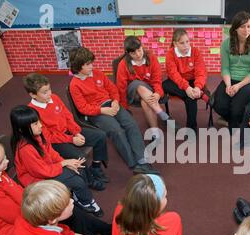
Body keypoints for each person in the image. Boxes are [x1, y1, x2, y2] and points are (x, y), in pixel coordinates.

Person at [0, 137, 111, 235]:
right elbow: (19, 217)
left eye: (4, 157)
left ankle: (100, 230)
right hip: (13, 229)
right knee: (63, 212)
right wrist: (48, 208)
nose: (7, 162)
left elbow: (17, 193)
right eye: (0, 162)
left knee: (66, 206)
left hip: (25, 208)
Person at [69, 46, 160, 175]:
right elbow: (83, 108)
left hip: (111, 104)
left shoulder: (97, 73)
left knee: (131, 124)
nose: (91, 67)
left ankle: (142, 160)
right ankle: (134, 163)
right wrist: (103, 110)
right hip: (96, 112)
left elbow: (112, 89)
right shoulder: (75, 85)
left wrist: (116, 101)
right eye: (88, 65)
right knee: (117, 131)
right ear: (78, 66)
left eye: (91, 63)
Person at [10, 105, 105, 217]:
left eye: (39, 121)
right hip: (38, 179)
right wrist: (64, 163)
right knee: (77, 181)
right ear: (22, 129)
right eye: (35, 124)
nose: (40, 125)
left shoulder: (36, 135)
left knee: (78, 167)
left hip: (48, 168)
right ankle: (87, 202)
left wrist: (67, 162)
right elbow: (41, 172)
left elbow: (51, 153)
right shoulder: (25, 149)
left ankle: (78, 196)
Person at [24, 72, 110, 184]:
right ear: (33, 95)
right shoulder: (32, 112)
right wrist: (71, 139)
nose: (49, 94)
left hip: (70, 133)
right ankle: (90, 181)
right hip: (55, 142)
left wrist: (76, 132)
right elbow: (48, 137)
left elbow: (68, 116)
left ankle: (96, 167)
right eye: (44, 92)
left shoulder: (54, 97)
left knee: (100, 136)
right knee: (80, 156)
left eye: (49, 89)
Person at [116, 36, 180, 137]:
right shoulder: (123, 64)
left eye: (139, 50)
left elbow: (157, 80)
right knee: (138, 84)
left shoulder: (152, 59)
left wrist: (158, 93)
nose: (138, 54)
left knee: (145, 102)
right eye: (133, 53)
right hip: (132, 93)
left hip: (149, 92)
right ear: (128, 53)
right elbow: (121, 88)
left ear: (142, 46)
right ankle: (164, 116)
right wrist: (124, 109)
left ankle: (155, 134)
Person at [213, 11, 250, 133]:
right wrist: (229, 85)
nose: (246, 30)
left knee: (236, 108)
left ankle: (233, 124)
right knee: (219, 105)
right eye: (242, 26)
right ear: (235, 28)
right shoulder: (226, 44)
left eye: (249, 26)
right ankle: (233, 119)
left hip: (248, 81)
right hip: (230, 78)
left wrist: (238, 86)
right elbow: (225, 68)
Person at [162, 28, 211, 133]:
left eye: (187, 42)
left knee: (190, 98)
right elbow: (173, 74)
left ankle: (191, 129)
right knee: (164, 85)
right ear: (175, 43)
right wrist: (187, 88)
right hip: (177, 82)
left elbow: (201, 72)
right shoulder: (170, 54)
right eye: (182, 43)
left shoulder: (195, 52)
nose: (186, 46)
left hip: (193, 81)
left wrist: (197, 87)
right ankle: (201, 94)